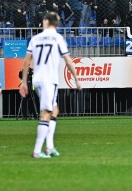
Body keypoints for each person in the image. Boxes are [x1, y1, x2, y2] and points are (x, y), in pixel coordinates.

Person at [20, 12, 82, 158]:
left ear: (47, 21)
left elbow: (26, 61)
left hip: (37, 79)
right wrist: (76, 79)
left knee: (54, 110)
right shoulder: (58, 39)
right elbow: (68, 61)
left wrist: (24, 81)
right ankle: (37, 150)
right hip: (49, 80)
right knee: (46, 113)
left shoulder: (35, 38)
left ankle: (49, 146)